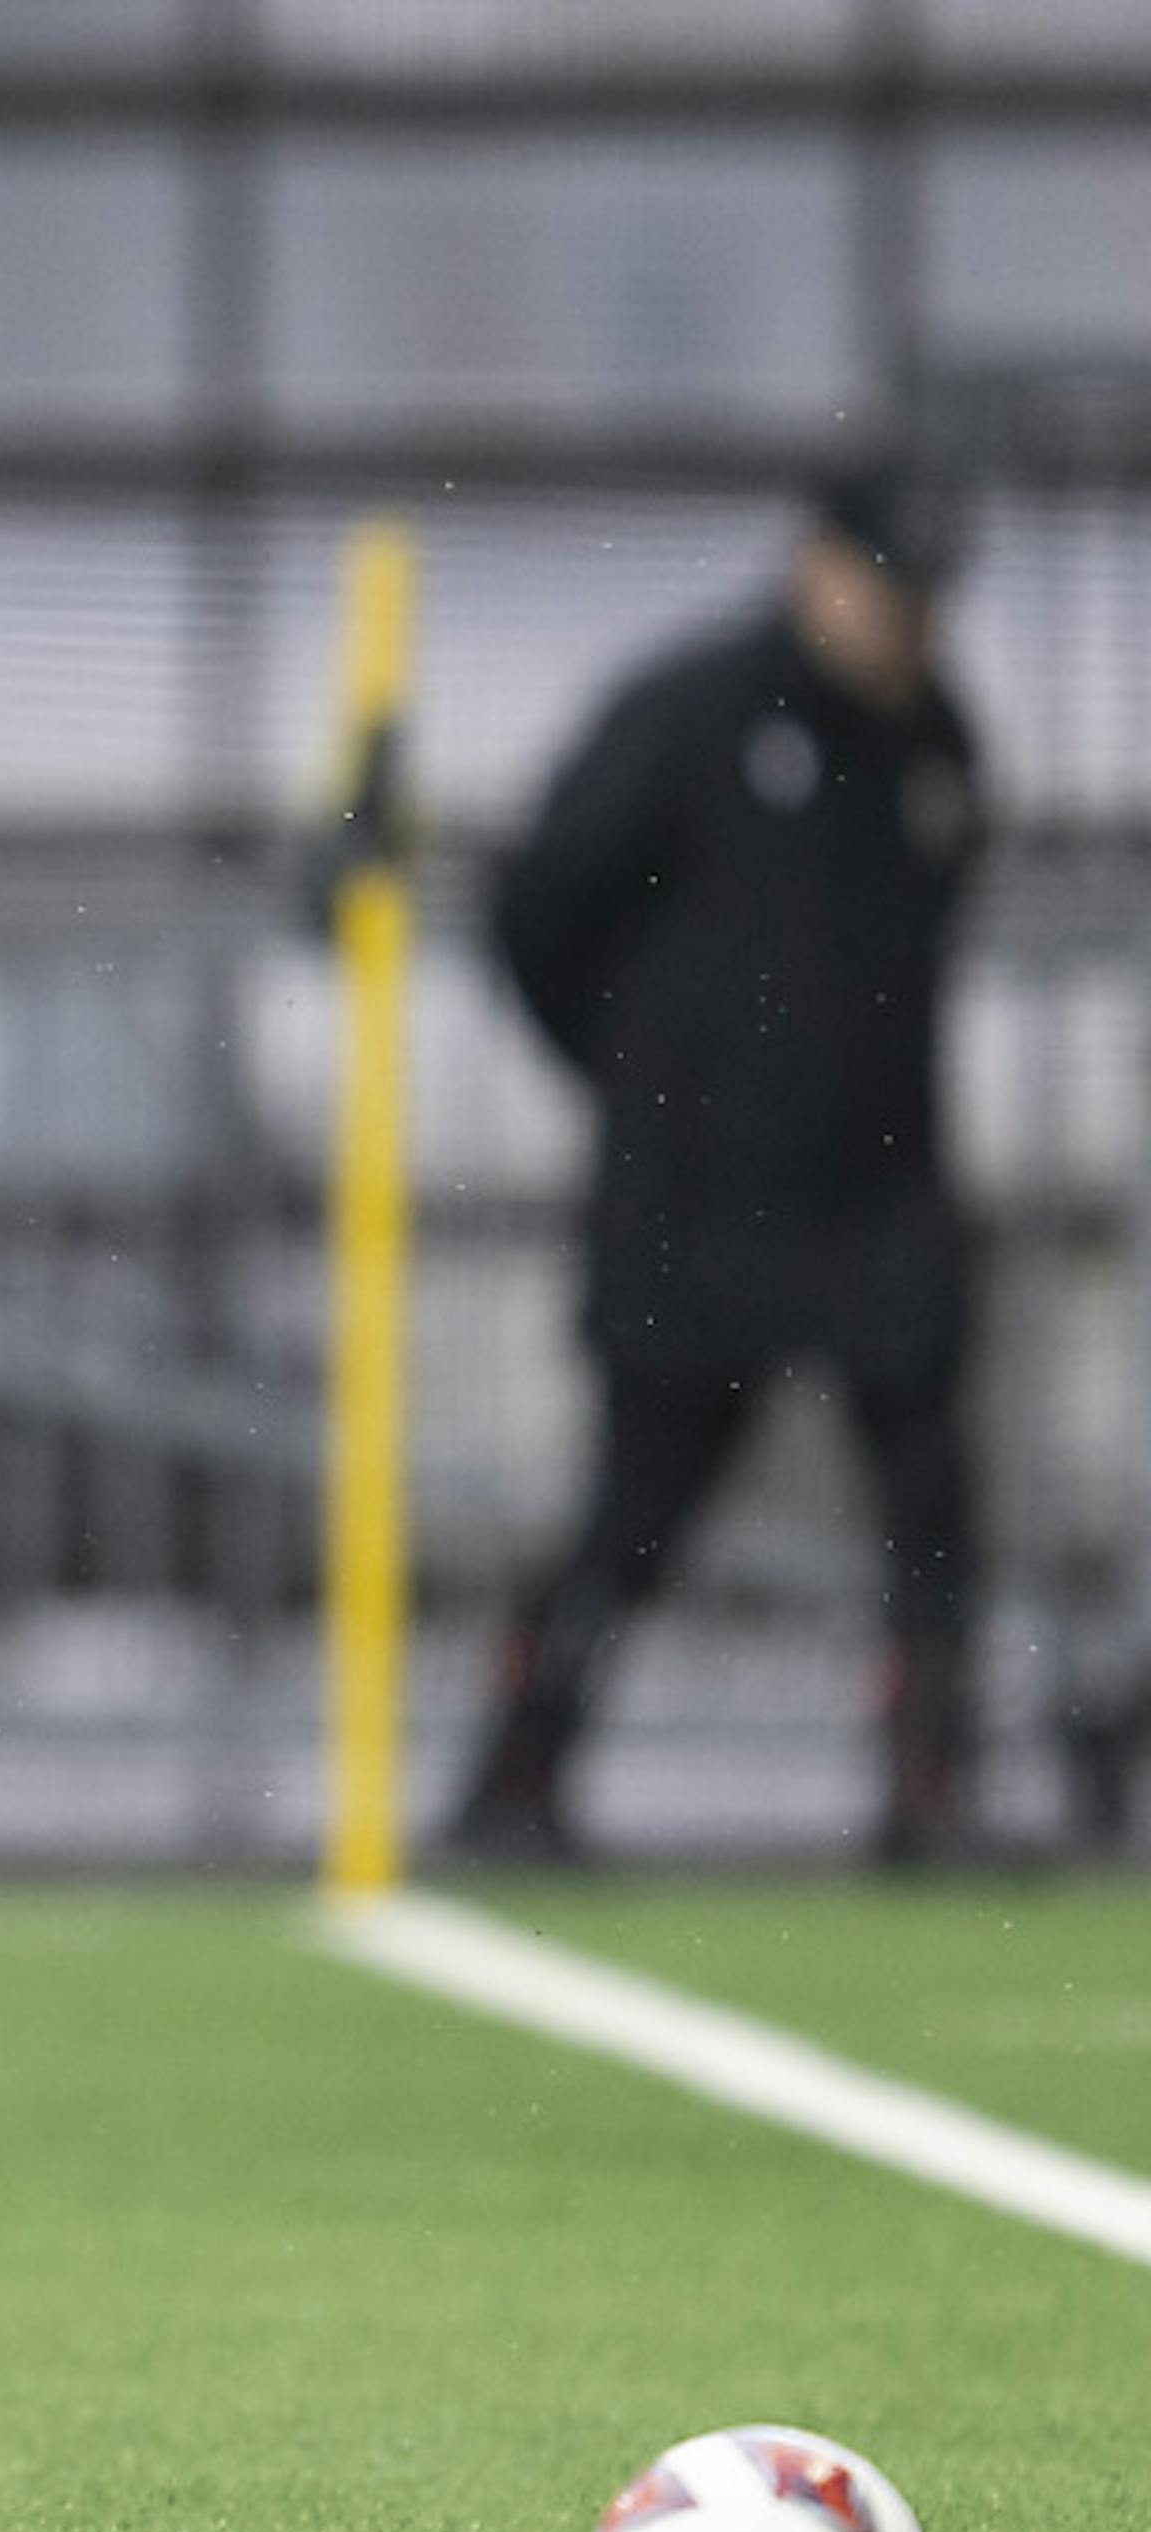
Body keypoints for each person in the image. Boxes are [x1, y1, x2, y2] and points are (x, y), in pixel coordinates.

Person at [444, 454, 991, 1868]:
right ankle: (521, 1770)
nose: (907, 625)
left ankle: (928, 1782)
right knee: (639, 1505)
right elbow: (540, 908)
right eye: (886, 589)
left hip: (882, 1194)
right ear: (818, 567)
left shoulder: (937, 742)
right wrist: (647, 1084)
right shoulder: (687, 718)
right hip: (698, 1204)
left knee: (933, 1502)